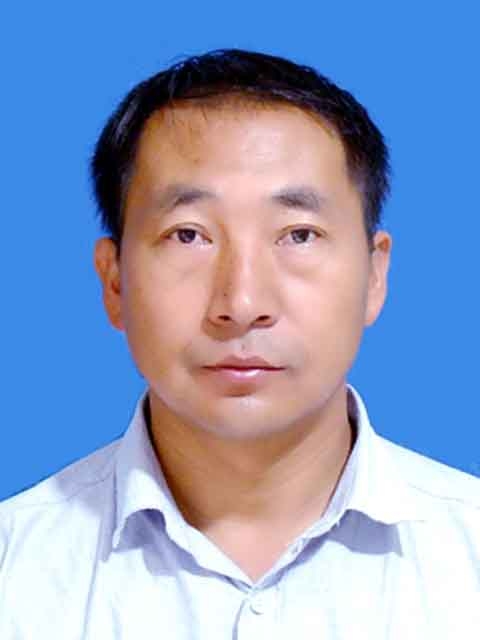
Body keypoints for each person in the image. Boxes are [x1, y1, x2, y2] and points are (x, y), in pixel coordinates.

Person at [0, 49, 478, 639]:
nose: (243, 303)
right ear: (115, 281)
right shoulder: (14, 571)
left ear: (374, 276)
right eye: (189, 235)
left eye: (298, 235)